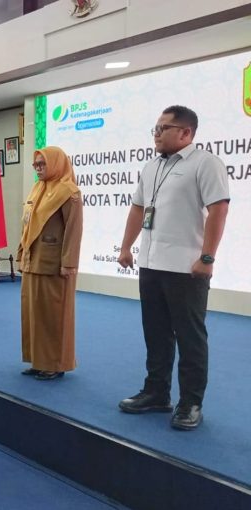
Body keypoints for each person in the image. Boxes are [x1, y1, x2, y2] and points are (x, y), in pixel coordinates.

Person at [117, 105, 230, 431]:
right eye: (155, 128)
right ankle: (156, 392)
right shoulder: (151, 166)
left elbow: (218, 210)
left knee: (190, 337)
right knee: (155, 333)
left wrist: (207, 258)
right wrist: (126, 247)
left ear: (185, 132)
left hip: (186, 269)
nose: (156, 134)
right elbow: (138, 208)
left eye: (162, 128)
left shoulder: (205, 163)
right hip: (151, 264)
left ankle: (191, 402)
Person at [16, 146, 83, 380]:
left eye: (42, 164)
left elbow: (74, 230)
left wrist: (69, 263)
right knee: (33, 314)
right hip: (32, 261)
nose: (38, 168)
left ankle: (54, 364)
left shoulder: (69, 191)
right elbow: (27, 225)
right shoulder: (37, 188)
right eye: (35, 165)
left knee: (53, 316)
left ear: (56, 163)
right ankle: (38, 360)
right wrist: (21, 253)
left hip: (54, 265)